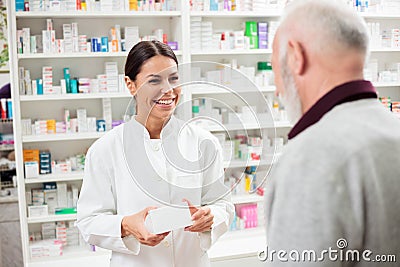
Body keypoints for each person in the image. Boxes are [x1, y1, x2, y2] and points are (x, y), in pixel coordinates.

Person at [264, 0, 400, 266]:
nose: (277, 87)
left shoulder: (312, 157)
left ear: (295, 56)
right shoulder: (394, 130)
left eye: (274, 68)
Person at [76, 40, 234, 267]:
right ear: (130, 85)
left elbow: (224, 206)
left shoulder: (204, 143)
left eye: (173, 78)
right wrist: (127, 224)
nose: (168, 89)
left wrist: (211, 217)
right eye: (154, 81)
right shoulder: (105, 149)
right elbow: (88, 221)